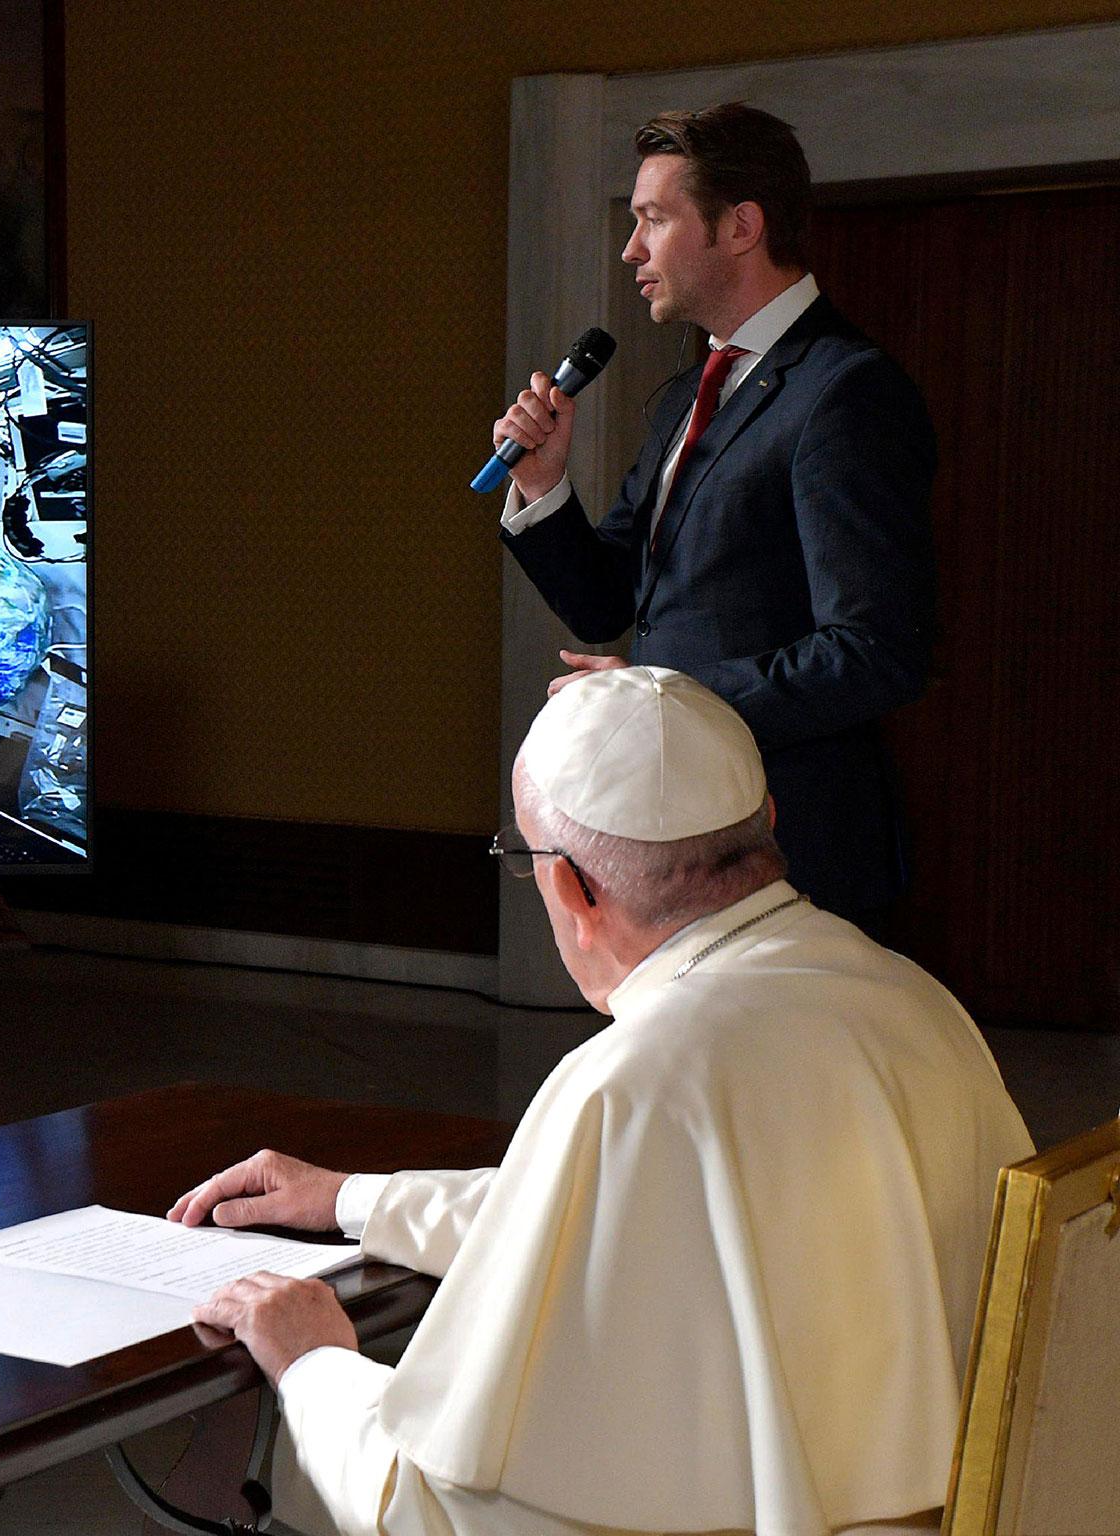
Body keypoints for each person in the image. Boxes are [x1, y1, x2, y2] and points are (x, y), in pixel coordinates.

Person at [172, 667, 1032, 1536]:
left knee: (233, 1460)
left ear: (574, 887)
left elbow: (438, 1515)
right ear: (766, 823)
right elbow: (633, 1214)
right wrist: (357, 1199)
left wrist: (315, 1363)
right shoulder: (914, 1000)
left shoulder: (630, 1080)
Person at [491, 104, 935, 930]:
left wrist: (664, 696)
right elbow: (606, 607)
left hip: (793, 852)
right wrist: (546, 488)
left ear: (740, 227)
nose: (631, 249)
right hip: (678, 849)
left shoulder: (844, 392)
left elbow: (877, 654)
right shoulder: (685, 396)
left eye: (654, 219)